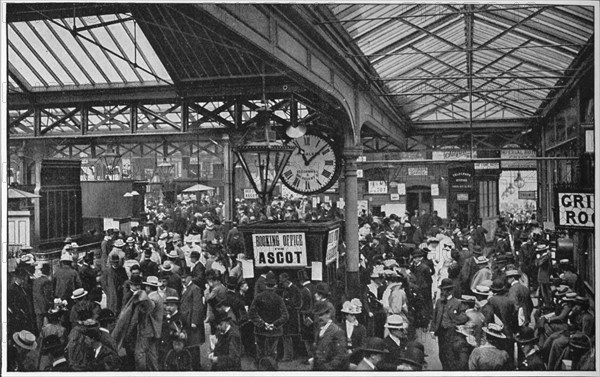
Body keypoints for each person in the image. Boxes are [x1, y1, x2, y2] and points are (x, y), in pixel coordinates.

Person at [248, 271, 289, 367]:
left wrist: (263, 323)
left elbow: (251, 313)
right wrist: (274, 324)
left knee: (260, 353)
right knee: (272, 353)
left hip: (260, 330)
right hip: (275, 331)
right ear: (274, 285)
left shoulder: (258, 297)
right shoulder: (279, 298)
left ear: (265, 284)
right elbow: (285, 315)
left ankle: (260, 369)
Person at [430, 278, 469, 370]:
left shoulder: (457, 303)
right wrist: (432, 329)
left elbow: (464, 317)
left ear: (450, 291)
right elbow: (435, 316)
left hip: (451, 333)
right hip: (441, 333)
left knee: (450, 354)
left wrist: (452, 322)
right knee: (442, 354)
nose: (443, 292)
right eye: (442, 290)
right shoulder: (439, 302)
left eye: (445, 290)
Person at [310, 301, 349, 371]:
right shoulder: (319, 328)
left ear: (328, 314)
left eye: (321, 315)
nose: (319, 317)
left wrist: (327, 368)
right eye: (318, 315)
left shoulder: (336, 331)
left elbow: (340, 355)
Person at [277, 272, 302, 362]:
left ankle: (288, 356)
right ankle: (288, 355)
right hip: (287, 317)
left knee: (288, 336)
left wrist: (285, 304)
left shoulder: (294, 289)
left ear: (286, 281)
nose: (282, 285)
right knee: (286, 335)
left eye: (283, 283)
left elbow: (297, 303)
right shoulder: (286, 290)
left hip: (292, 317)